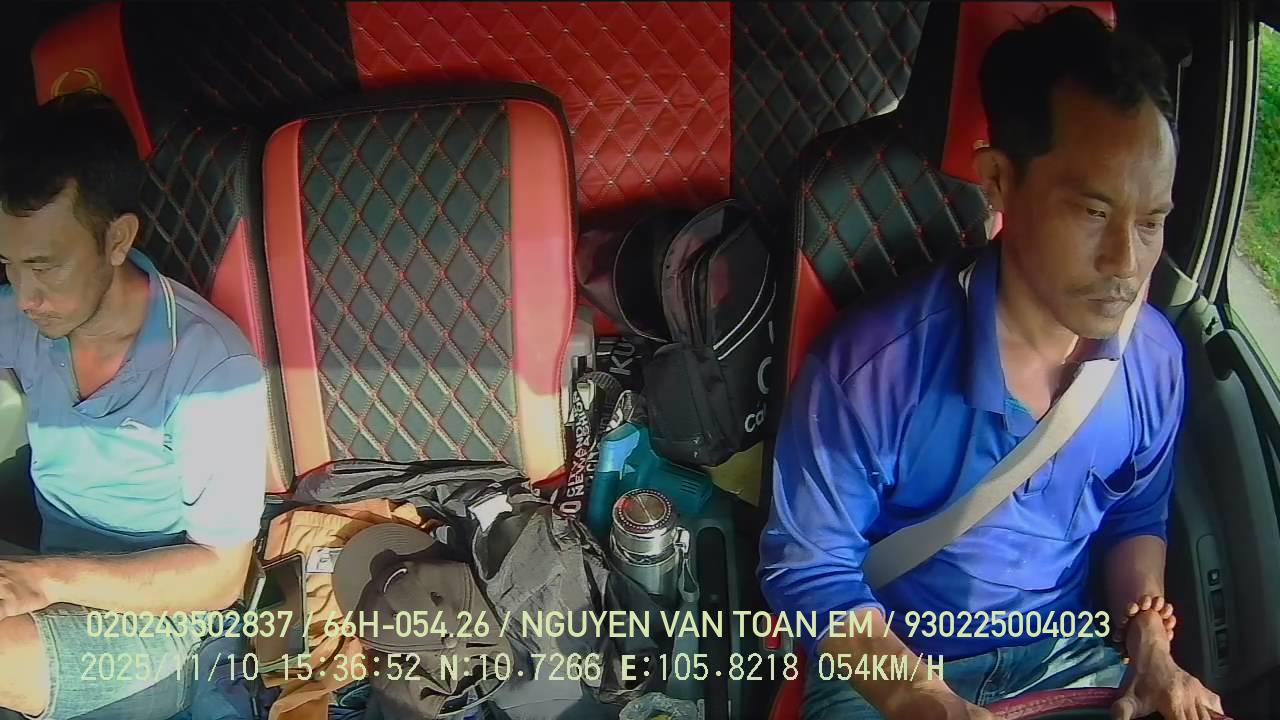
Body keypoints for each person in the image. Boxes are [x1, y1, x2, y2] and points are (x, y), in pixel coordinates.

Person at [760, 8, 1223, 720]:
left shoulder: (1154, 360)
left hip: (1066, 657)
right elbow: (810, 567)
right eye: (1093, 213)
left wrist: (1151, 651)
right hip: (888, 666)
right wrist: (920, 697)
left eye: (1151, 222)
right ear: (999, 180)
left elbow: (1134, 514)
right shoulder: (871, 370)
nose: (1126, 263)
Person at [0, 91, 267, 719]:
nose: (26, 294)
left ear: (117, 238)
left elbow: (220, 575)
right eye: (8, 265)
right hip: (46, 573)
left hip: (165, 619)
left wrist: (45, 579)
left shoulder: (210, 369)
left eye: (46, 267)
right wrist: (40, 577)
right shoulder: (24, 317)